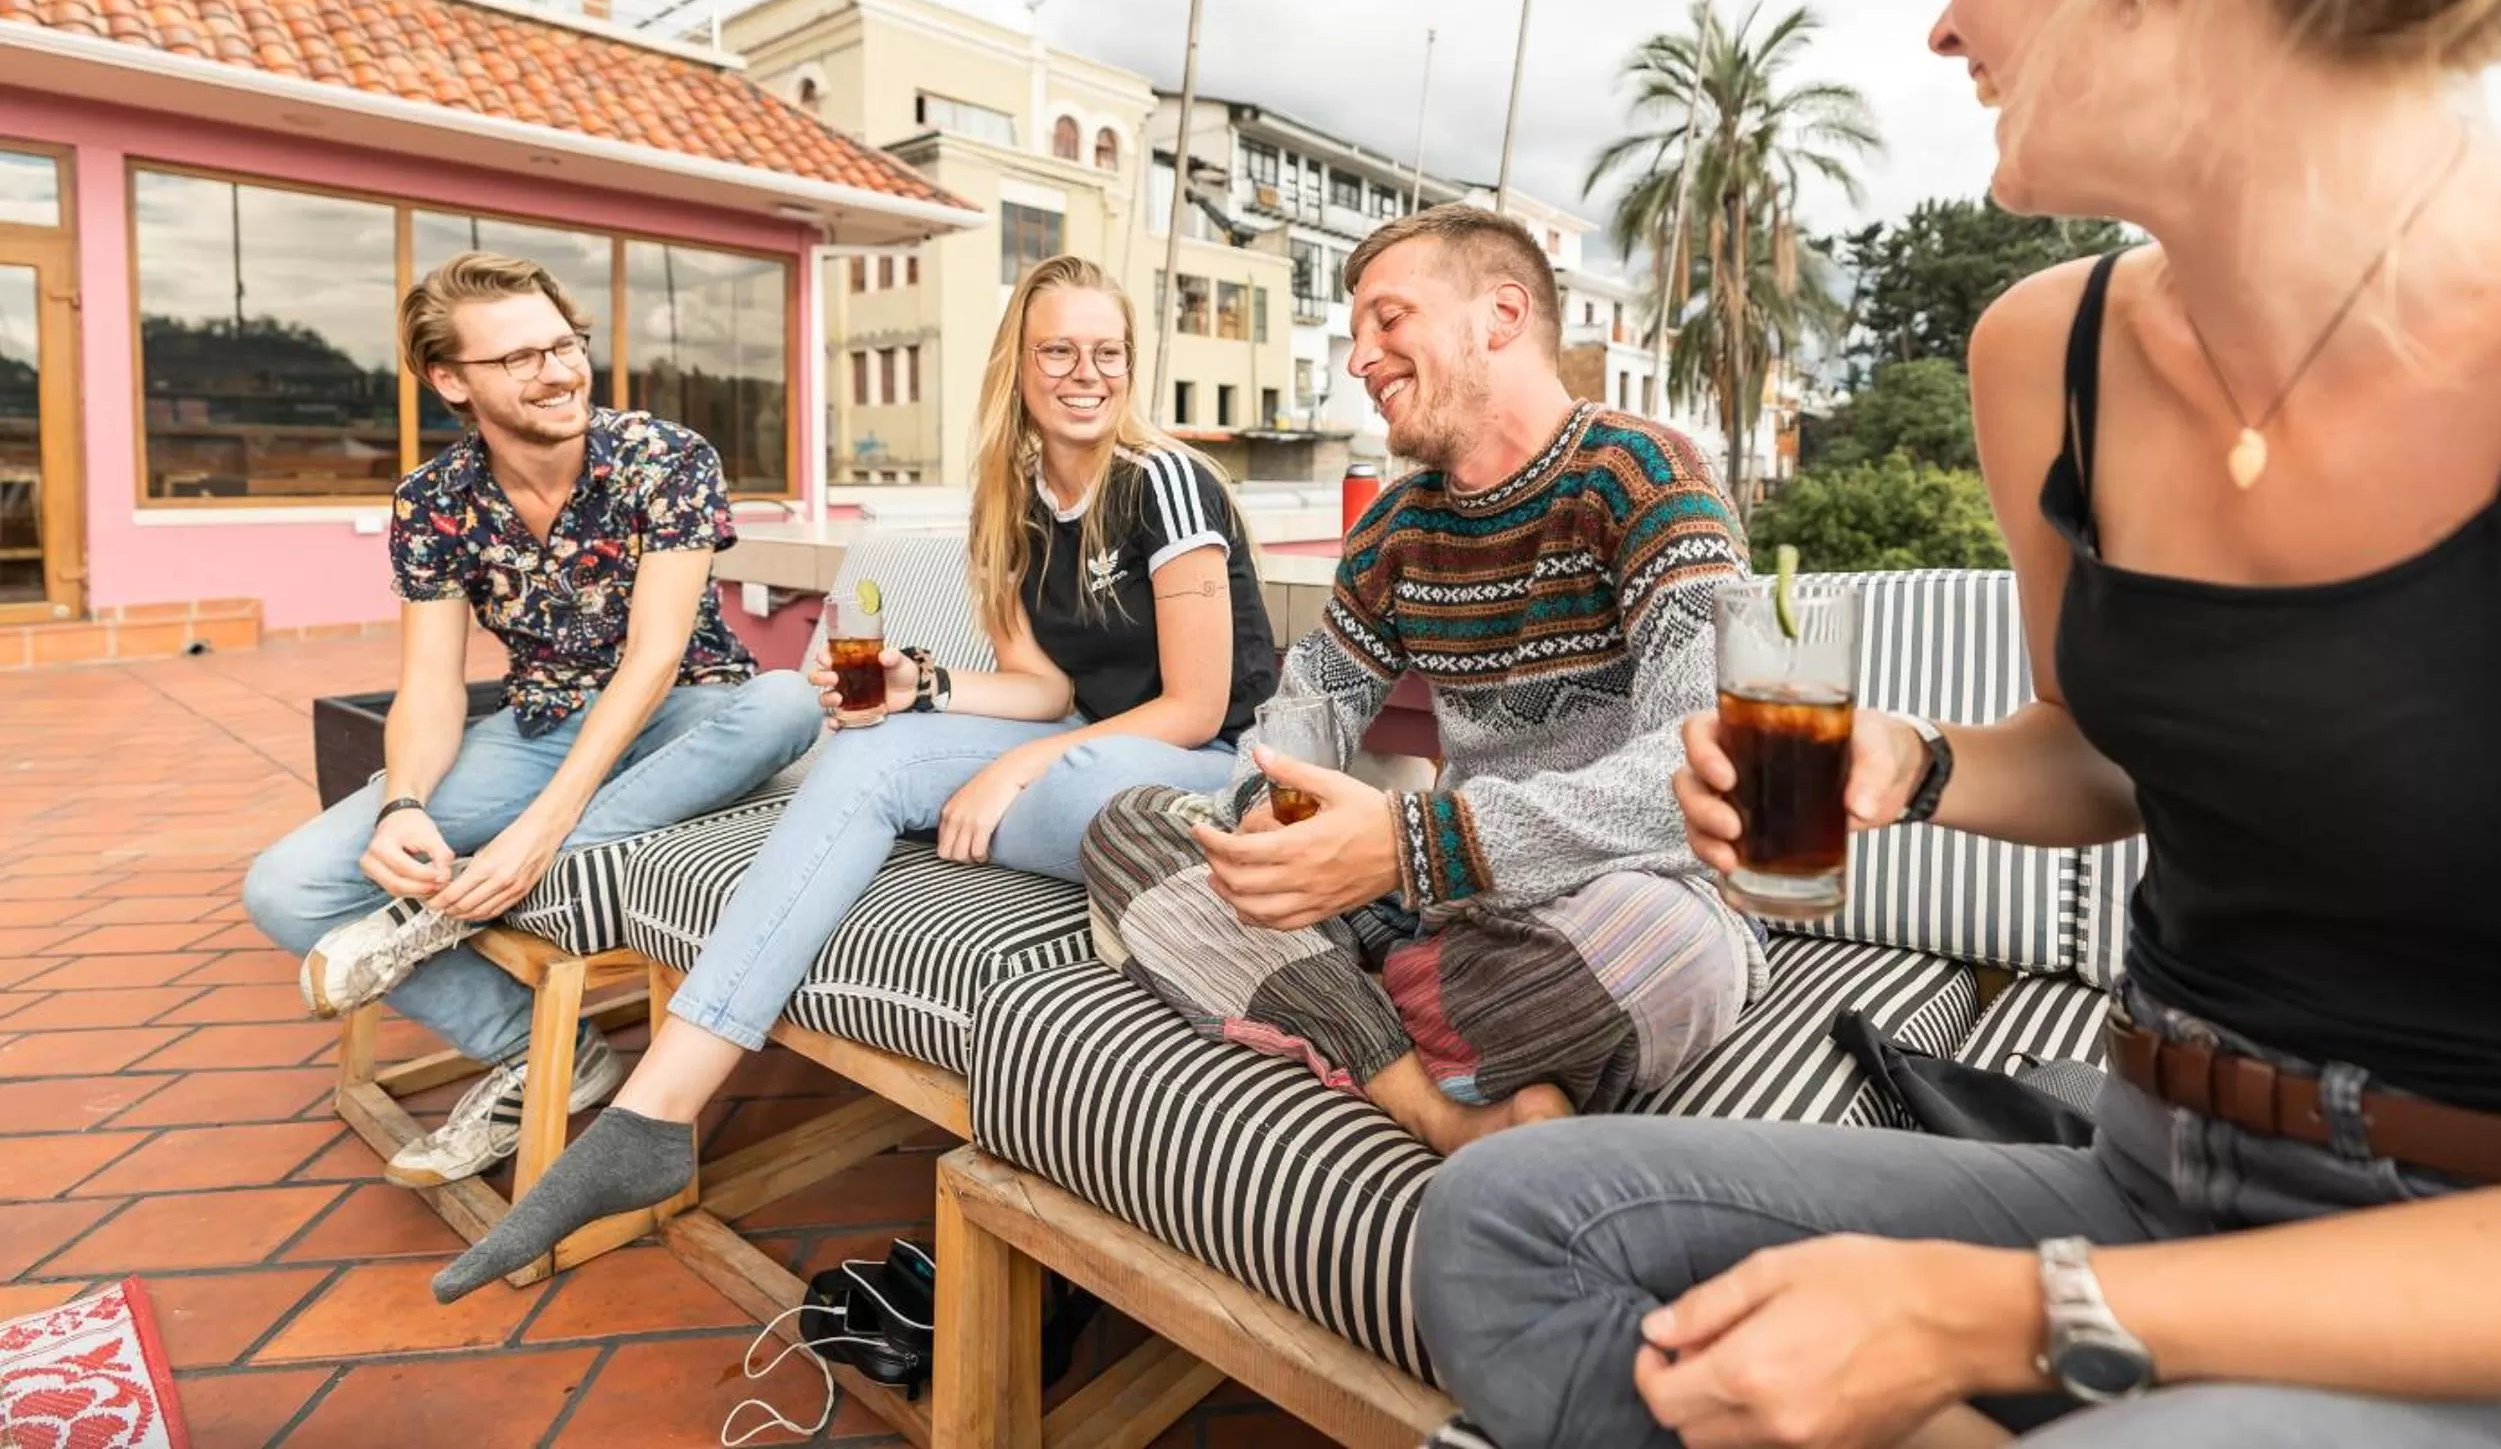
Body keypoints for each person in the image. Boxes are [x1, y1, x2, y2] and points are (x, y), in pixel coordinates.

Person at [1413, 0, 2501, 1445]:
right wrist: (1909, 763)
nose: (1942, 24)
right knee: (1506, 1230)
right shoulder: (2050, 363)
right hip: (2149, 1166)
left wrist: (2003, 1317)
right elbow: (2107, 759)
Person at [431, 253, 1278, 1299]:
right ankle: (655, 1111)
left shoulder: (1166, 482)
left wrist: (1016, 767)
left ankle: (654, 1106)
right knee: (872, 749)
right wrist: (919, 688)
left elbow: (1194, 709)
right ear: (1017, 363)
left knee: (1035, 778)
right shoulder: (1013, 499)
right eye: (1058, 350)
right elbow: (1043, 685)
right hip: (1089, 752)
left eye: (1108, 353)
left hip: (1197, 774)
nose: (1086, 374)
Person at [1079, 203, 1756, 1160]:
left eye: (1387, 321)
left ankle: (1322, 998)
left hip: (1601, 900)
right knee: (1130, 824)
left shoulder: (1649, 478)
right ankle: (1431, 1099)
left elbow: (1699, 769)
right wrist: (1264, 815)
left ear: (1502, 315)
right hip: (1434, 911)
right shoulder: (1397, 527)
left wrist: (1409, 845)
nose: (1360, 358)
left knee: (1670, 954)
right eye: (1356, 332)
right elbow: (1306, 710)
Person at [244, 252, 820, 1187]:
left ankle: (459, 903)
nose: (558, 371)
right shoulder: (430, 502)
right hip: (542, 720)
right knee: (287, 887)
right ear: (450, 380)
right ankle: (534, 1049)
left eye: (564, 344)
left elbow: (655, 655)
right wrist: (403, 805)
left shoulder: (665, 458)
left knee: (788, 702)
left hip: (688, 712)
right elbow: (430, 683)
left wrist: (537, 834)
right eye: (520, 359)